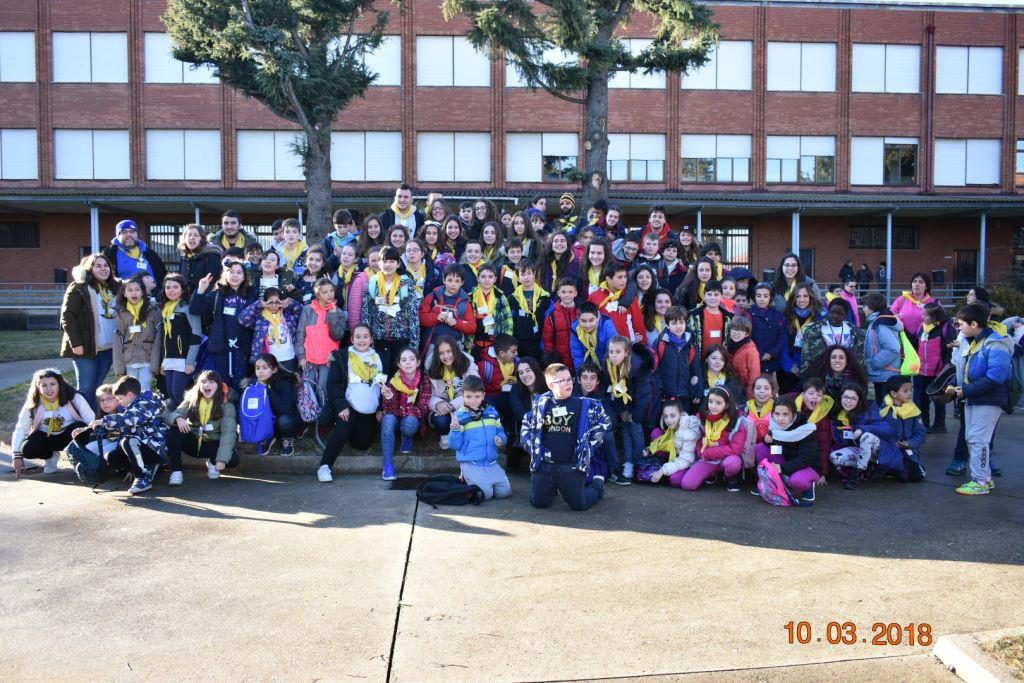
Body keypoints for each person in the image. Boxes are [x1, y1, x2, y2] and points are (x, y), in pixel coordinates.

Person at [521, 363, 611, 510]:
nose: (568, 383)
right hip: (545, 465)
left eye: (569, 379)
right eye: (562, 381)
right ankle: (552, 488)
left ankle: (597, 485)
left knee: (579, 505)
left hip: (571, 466)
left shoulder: (583, 404)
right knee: (538, 503)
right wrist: (532, 447)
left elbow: (605, 422)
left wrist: (588, 446)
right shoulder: (541, 404)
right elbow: (526, 422)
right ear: (550, 385)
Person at [948, 303, 1013, 495]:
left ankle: (981, 481)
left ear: (974, 324)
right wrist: (956, 385)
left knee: (978, 439)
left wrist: (966, 390)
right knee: (973, 438)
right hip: (974, 397)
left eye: (961, 324)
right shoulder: (975, 341)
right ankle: (983, 478)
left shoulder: (995, 344)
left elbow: (996, 377)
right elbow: (966, 369)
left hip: (988, 400)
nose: (959, 328)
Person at [317, 325, 384, 483]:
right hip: (348, 406)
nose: (362, 340)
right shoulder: (342, 355)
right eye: (358, 336)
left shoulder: (380, 356)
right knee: (343, 429)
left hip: (369, 409)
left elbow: (383, 385)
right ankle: (325, 466)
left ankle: (351, 430)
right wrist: (341, 406)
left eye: (365, 336)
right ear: (352, 339)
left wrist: (380, 408)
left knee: (362, 444)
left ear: (371, 339)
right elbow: (333, 384)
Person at [59, 253, 119, 413]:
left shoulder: (114, 289)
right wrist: (76, 343)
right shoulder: (79, 287)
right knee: (86, 387)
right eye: (98, 266)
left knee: (98, 387)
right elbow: (67, 316)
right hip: (85, 348)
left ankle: (94, 420)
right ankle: (82, 421)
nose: (103, 269)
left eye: (106, 265)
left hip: (108, 348)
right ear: (89, 269)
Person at [90, 375, 167, 495]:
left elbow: (128, 419)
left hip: (155, 449)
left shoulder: (146, 404)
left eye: (120, 399)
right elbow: (122, 431)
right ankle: (145, 468)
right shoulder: (131, 406)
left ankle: (142, 478)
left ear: (130, 395)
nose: (120, 402)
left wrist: (103, 421)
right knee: (111, 457)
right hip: (142, 446)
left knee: (128, 441)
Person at [11, 368, 95, 478]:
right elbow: (21, 428)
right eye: (44, 385)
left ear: (60, 384)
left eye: (53, 384)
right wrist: (16, 456)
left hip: (69, 436)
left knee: (81, 428)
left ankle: (76, 457)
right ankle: (50, 456)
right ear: (38, 387)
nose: (49, 389)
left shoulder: (74, 398)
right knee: (27, 449)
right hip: (46, 437)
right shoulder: (33, 403)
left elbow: (91, 421)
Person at [164, 370, 239, 486]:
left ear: (218, 385)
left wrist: (221, 459)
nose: (207, 385)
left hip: (213, 443)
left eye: (211, 382)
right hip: (194, 441)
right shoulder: (192, 399)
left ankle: (213, 461)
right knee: (174, 431)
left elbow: (228, 433)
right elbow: (170, 415)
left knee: (233, 460)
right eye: (203, 382)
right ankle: (176, 471)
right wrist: (178, 418)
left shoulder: (227, 405)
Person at [190, 260, 256, 390]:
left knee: (241, 385)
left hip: (243, 348)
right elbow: (195, 309)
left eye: (239, 272)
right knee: (222, 385)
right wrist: (201, 290)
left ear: (244, 276)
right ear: (225, 274)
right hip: (221, 347)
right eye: (231, 272)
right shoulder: (218, 293)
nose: (235, 275)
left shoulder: (251, 294)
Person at [449, 375, 511, 500]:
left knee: (505, 492)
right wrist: (455, 430)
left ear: (483, 395)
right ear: (462, 396)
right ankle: (465, 474)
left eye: (477, 396)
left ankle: (481, 481)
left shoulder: (492, 412)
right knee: (485, 495)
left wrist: (501, 438)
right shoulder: (459, 416)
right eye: (468, 396)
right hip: (471, 462)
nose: (473, 400)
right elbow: (455, 445)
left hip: (491, 462)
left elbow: (500, 431)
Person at [605, 336, 656, 482]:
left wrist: (636, 415)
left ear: (627, 352)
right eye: (611, 352)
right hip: (624, 403)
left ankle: (639, 462)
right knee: (625, 430)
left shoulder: (638, 367)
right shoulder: (609, 366)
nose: (614, 355)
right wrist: (622, 410)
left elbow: (644, 394)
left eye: (618, 352)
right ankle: (628, 462)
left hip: (638, 405)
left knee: (636, 429)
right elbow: (614, 389)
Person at [361, 246, 420, 372]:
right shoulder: (373, 283)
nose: (388, 265)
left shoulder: (406, 284)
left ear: (398, 264)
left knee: (399, 376)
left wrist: (414, 345)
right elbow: (366, 313)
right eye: (385, 261)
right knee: (380, 375)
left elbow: (413, 315)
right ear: (379, 263)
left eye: (392, 261)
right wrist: (367, 339)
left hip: (401, 340)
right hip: (378, 340)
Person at [679, 387, 748, 492]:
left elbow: (736, 449)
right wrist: (699, 451)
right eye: (710, 401)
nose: (713, 406)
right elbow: (697, 438)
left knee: (733, 463)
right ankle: (711, 474)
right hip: (708, 459)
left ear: (727, 405)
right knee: (687, 484)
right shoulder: (701, 417)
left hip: (725, 458)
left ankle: (729, 477)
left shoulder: (736, 421)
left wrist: (710, 453)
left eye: (718, 403)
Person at [378, 347, 432, 481]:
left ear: (418, 362)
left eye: (412, 359)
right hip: (395, 416)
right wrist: (389, 397)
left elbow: (423, 407)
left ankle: (407, 436)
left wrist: (401, 411)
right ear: (399, 364)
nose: (408, 362)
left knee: (411, 422)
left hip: (411, 418)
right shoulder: (393, 381)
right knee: (388, 420)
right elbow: (388, 409)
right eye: (404, 360)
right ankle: (388, 465)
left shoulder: (424, 380)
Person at [756, 396, 821, 501]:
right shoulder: (775, 424)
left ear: (793, 414)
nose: (780, 418)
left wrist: (782, 468)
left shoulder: (806, 429)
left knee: (797, 481)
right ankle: (769, 482)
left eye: (785, 414)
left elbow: (807, 458)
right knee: (760, 448)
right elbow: (777, 448)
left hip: (808, 465)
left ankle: (808, 487)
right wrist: (767, 442)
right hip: (786, 460)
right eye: (777, 414)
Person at [829, 383, 888, 490]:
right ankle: (868, 466)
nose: (848, 401)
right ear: (841, 397)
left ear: (859, 400)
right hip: (859, 450)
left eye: (853, 398)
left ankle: (858, 475)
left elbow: (887, 429)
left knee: (866, 436)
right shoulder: (837, 415)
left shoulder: (868, 411)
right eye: (846, 397)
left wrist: (862, 429)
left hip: (878, 449)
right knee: (835, 457)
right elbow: (839, 440)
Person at [427, 335, 481, 449]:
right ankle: (445, 435)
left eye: (449, 351)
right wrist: (437, 404)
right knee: (441, 421)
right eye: (441, 353)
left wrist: (453, 405)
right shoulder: (433, 368)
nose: (446, 356)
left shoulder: (468, 364)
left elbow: (474, 390)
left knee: (467, 416)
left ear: (455, 350)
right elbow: (429, 395)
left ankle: (466, 436)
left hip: (465, 405)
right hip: (444, 408)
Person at [112, 275, 161, 390]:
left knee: (144, 389)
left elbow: (158, 338)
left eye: (137, 290)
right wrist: (119, 367)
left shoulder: (153, 310)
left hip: (147, 359)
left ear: (143, 292)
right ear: (124, 293)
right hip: (129, 360)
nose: (134, 293)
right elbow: (118, 340)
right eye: (130, 290)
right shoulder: (121, 312)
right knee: (131, 391)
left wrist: (155, 363)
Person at [239, 287, 305, 373]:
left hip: (289, 357)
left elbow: (303, 311)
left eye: (277, 302)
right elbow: (242, 319)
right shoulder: (260, 317)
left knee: (289, 380)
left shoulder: (288, 315)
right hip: (267, 360)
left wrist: (290, 303)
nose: (274, 306)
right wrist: (258, 304)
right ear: (265, 302)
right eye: (270, 302)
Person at [877, 375, 927, 483]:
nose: (910, 393)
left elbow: (921, 433)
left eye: (911, 390)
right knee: (897, 472)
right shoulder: (884, 410)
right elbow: (878, 430)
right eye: (905, 391)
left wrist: (910, 443)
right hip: (890, 448)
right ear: (894, 393)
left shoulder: (913, 410)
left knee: (917, 476)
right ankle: (893, 467)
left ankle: (903, 467)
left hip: (908, 449)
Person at [916, 302, 956, 434]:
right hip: (921, 371)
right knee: (921, 399)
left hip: (938, 372)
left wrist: (946, 368)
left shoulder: (945, 329)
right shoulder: (921, 328)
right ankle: (924, 423)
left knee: (938, 399)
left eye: (926, 315)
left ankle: (939, 425)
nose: (923, 317)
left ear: (935, 316)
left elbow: (952, 349)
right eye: (923, 314)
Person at [248, 354, 300, 457]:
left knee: (284, 420)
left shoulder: (284, 382)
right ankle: (268, 437)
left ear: (274, 370)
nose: (260, 371)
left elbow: (285, 409)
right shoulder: (254, 384)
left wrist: (268, 390)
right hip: (266, 420)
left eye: (265, 368)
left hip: (286, 419)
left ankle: (287, 439)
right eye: (257, 368)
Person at [799, 297, 866, 374]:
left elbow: (861, 360)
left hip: (848, 376)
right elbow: (806, 357)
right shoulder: (813, 330)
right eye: (832, 312)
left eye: (839, 313)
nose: (835, 316)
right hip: (820, 375)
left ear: (845, 315)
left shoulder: (856, 333)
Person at [643, 400, 701, 487]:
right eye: (665, 416)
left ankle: (702, 475)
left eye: (672, 416)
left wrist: (662, 471)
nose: (668, 420)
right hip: (679, 456)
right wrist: (649, 449)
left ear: (681, 414)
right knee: (656, 433)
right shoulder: (673, 427)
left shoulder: (688, 432)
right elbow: (663, 441)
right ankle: (662, 465)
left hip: (690, 461)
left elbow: (686, 460)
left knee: (675, 479)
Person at [652, 306, 701, 409]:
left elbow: (696, 368)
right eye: (674, 323)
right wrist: (659, 389)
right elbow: (655, 369)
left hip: (685, 393)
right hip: (666, 394)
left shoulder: (691, 343)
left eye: (681, 322)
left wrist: (697, 390)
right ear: (667, 325)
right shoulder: (660, 343)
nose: (678, 326)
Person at [419, 264, 476, 352]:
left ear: (462, 283)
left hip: (455, 344)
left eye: (457, 281)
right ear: (444, 280)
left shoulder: (465, 302)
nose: (453, 284)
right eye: (450, 280)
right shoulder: (432, 296)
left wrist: (456, 323)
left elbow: (472, 327)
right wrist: (436, 317)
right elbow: (421, 318)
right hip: (433, 344)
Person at [779, 283, 822, 395]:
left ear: (811, 297)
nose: (801, 300)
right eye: (798, 296)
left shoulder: (819, 316)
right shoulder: (786, 315)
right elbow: (782, 343)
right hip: (791, 366)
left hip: (813, 366)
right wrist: (790, 366)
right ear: (793, 298)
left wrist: (811, 367)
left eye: (805, 296)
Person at [862, 292, 903, 404]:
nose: (863, 309)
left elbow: (893, 349)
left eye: (865, 306)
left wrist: (874, 363)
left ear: (872, 307)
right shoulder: (877, 321)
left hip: (886, 374)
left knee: (885, 409)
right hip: (882, 374)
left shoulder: (881, 324)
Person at [589, 262, 646, 343]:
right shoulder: (594, 297)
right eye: (620, 277)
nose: (624, 280)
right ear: (608, 279)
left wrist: (641, 344)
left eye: (625, 277)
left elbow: (639, 324)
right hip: (603, 346)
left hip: (627, 346)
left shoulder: (630, 298)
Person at [507, 261, 549, 361]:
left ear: (534, 274)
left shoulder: (544, 297)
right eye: (523, 274)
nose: (526, 277)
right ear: (518, 277)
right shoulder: (512, 298)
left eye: (529, 273)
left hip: (539, 344)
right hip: (519, 344)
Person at [103, 219, 167, 284]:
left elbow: (163, 273)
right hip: (123, 290)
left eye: (132, 231)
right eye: (124, 232)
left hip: (154, 290)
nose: (129, 234)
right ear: (117, 236)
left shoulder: (149, 253)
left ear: (137, 234)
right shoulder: (109, 254)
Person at [469, 263, 513, 358]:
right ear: (478, 278)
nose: (487, 280)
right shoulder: (471, 296)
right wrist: (467, 340)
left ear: (495, 279)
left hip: (494, 342)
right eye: (483, 276)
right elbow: (466, 320)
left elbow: (508, 321)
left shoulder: (500, 297)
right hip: (474, 342)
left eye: (490, 277)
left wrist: (505, 342)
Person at [689, 280, 734, 360]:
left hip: (720, 361)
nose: (712, 298)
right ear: (704, 296)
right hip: (699, 360)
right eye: (709, 294)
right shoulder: (694, 316)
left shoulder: (729, 317)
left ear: (721, 296)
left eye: (716, 294)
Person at [541, 278, 579, 370]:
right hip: (560, 359)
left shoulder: (580, 312)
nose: (567, 295)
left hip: (578, 358)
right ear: (558, 293)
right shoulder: (552, 315)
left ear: (575, 293)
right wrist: (551, 360)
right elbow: (548, 341)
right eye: (563, 292)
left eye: (570, 292)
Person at [750, 282, 786, 377]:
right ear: (754, 297)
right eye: (759, 296)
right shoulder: (748, 314)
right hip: (755, 359)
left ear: (771, 297)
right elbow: (748, 338)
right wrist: (760, 353)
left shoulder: (777, 315)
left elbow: (782, 337)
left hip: (774, 360)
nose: (762, 299)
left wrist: (772, 353)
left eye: (765, 296)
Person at [570, 302, 618, 372]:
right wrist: (580, 373)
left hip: (607, 367)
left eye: (591, 320)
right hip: (588, 367)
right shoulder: (575, 329)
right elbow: (578, 355)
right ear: (578, 319)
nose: (588, 325)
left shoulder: (607, 326)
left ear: (598, 317)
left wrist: (608, 373)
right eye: (583, 321)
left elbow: (612, 352)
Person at [177, 224, 223, 296]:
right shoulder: (184, 258)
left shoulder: (211, 256)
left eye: (196, 235)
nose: (192, 238)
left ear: (202, 239)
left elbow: (213, 284)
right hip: (186, 299)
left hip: (204, 299)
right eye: (189, 235)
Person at [348, 244, 382, 333]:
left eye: (379, 260)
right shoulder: (361, 279)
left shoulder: (390, 277)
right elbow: (354, 310)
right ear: (368, 262)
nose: (377, 263)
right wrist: (355, 331)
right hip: (366, 329)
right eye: (373, 260)